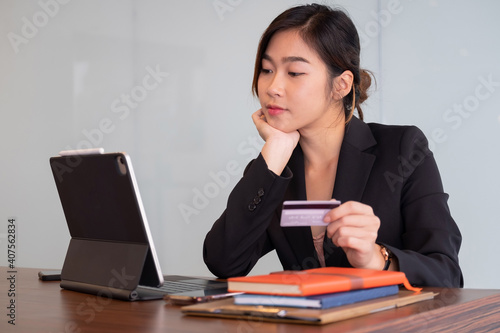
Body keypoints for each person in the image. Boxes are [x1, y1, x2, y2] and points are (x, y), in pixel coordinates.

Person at [203, 3, 463, 287]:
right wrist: (275, 149)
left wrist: (377, 259)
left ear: (341, 85)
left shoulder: (403, 149)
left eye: (294, 73)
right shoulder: (273, 171)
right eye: (267, 69)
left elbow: (446, 274)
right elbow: (223, 262)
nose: (271, 87)